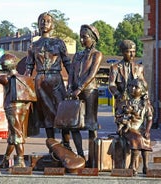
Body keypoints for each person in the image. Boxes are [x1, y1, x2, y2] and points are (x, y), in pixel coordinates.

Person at [24, 12, 72, 151]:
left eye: (47, 21)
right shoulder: (34, 45)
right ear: (38, 24)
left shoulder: (58, 43)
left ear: (52, 25)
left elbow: (67, 63)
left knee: (62, 111)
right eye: (42, 21)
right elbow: (29, 66)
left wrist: (73, 81)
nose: (44, 23)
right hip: (41, 80)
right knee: (46, 114)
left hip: (56, 79)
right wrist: (22, 81)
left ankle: (66, 144)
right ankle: (52, 146)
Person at [0, 53, 33, 168]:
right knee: (14, 134)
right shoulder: (23, 77)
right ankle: (6, 159)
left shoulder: (6, 78)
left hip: (12, 108)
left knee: (17, 135)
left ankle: (20, 161)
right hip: (23, 108)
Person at [108, 39, 149, 169]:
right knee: (125, 133)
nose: (132, 54)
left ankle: (137, 164)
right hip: (122, 106)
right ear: (122, 52)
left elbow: (143, 84)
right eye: (128, 52)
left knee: (139, 132)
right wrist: (117, 94)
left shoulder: (139, 67)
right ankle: (124, 163)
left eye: (133, 51)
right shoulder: (115, 67)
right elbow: (111, 84)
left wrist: (145, 95)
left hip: (136, 105)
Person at [67, 24, 103, 167]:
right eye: (80, 37)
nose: (82, 40)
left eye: (85, 37)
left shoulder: (97, 54)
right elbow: (71, 73)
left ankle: (93, 158)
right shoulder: (78, 55)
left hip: (89, 92)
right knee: (74, 125)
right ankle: (81, 155)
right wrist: (70, 87)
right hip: (75, 92)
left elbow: (92, 73)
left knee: (91, 124)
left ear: (93, 38)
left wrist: (80, 88)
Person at [116, 78, 153, 175]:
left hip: (140, 129)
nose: (132, 88)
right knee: (137, 138)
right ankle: (132, 166)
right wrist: (122, 120)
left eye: (136, 87)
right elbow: (117, 116)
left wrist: (147, 131)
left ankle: (146, 166)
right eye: (130, 86)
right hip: (127, 128)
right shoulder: (125, 102)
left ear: (142, 90)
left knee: (145, 139)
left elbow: (149, 119)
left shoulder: (145, 105)